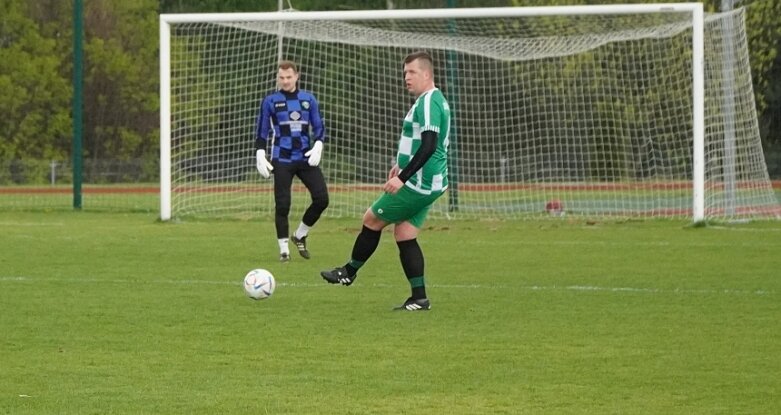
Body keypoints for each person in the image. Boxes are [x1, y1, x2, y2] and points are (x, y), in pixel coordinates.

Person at [320, 51, 451, 311]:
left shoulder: (428, 103)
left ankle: (348, 271)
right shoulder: (432, 100)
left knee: (371, 219)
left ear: (426, 74)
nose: (406, 77)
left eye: (411, 72)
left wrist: (403, 177)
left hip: (418, 183)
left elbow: (428, 146)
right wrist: (400, 165)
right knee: (405, 234)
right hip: (432, 181)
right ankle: (419, 298)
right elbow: (422, 145)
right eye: (404, 73)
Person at [255, 60, 329, 262]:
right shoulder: (270, 101)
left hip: (304, 157)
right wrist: (260, 152)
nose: (285, 81)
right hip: (282, 158)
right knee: (283, 204)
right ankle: (284, 250)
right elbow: (262, 129)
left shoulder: (308, 99)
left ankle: (300, 234)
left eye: (289, 77)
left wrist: (319, 144)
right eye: (281, 77)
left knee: (322, 199)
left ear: (297, 76)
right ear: (277, 78)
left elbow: (319, 126)